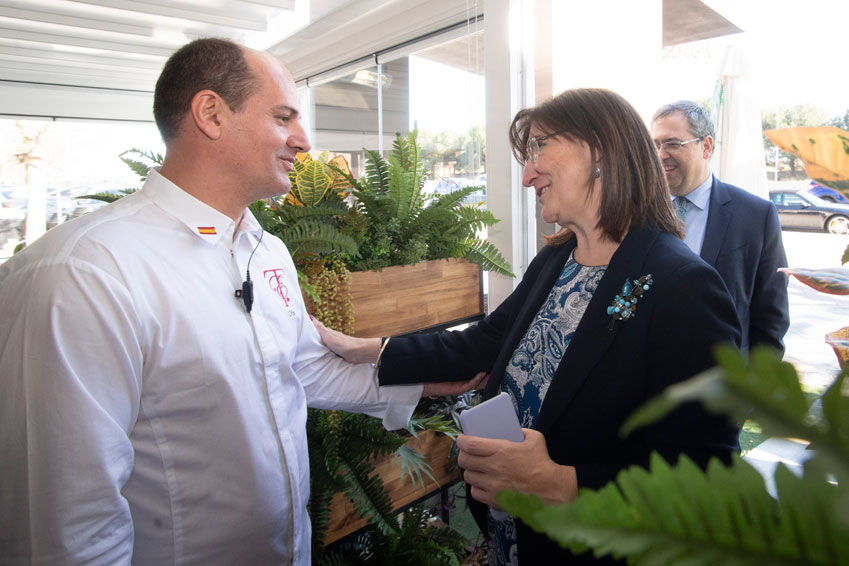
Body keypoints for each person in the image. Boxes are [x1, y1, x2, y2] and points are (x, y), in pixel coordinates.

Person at [0, 38, 482, 565]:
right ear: (211, 113)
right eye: (283, 117)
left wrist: (421, 377)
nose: (304, 140)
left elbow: (300, 367)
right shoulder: (85, 274)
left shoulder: (266, 250)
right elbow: (69, 523)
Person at [314, 88, 743, 565]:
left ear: (600, 149)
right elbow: (484, 343)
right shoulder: (557, 259)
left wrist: (563, 484)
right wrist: (368, 350)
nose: (526, 175)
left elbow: (707, 471)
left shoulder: (683, 286)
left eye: (540, 147)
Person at [651, 100, 790, 353]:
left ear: (706, 146)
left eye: (672, 144)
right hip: (649, 383)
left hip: (724, 381)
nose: (661, 154)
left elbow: (772, 316)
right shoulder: (638, 211)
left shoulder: (756, 216)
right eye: (656, 145)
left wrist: (752, 384)